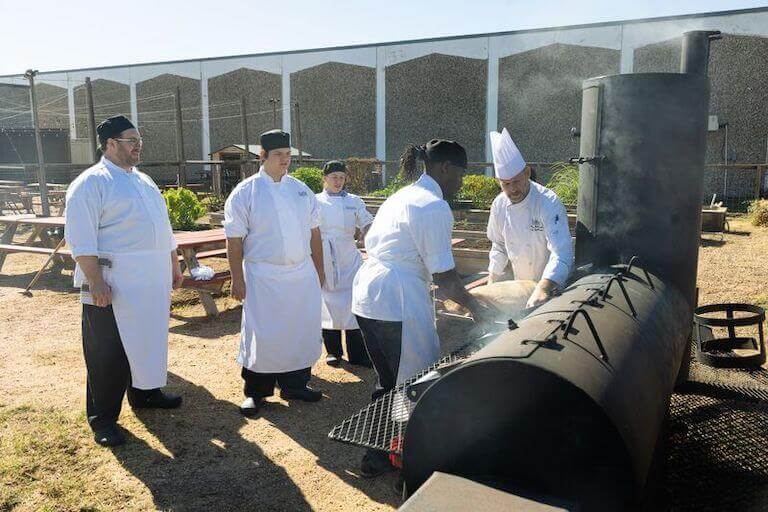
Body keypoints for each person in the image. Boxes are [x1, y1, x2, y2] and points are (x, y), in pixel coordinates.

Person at [351, 139, 496, 477]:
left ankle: (377, 455)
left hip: (368, 295)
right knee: (412, 381)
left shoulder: (402, 195)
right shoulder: (432, 205)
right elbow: (445, 277)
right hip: (394, 298)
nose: (460, 183)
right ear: (445, 168)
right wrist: (477, 308)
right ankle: (400, 458)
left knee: (389, 380)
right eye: (460, 175)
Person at [65, 115, 184, 447]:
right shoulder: (91, 183)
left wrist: (173, 264)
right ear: (110, 144)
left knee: (148, 340)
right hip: (112, 284)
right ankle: (103, 419)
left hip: (150, 281)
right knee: (107, 353)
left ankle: (145, 393)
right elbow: (80, 240)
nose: (138, 146)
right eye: (131, 140)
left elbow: (164, 230)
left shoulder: (144, 181)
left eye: (139, 140)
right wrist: (96, 282)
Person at [223, 129, 325, 417]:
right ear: (263, 156)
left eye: (288, 155)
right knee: (262, 334)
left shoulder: (301, 190)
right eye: (279, 155)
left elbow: (314, 234)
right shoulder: (246, 192)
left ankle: (295, 384)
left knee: (299, 331)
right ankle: (256, 392)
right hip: (262, 276)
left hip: (300, 274)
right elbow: (234, 239)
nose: (285, 161)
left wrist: (319, 272)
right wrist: (237, 278)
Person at [486, 128, 574, 308]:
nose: (512, 190)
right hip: (521, 287)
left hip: (552, 286)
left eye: (516, 182)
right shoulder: (499, 204)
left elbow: (561, 251)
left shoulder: (548, 202)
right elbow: (499, 245)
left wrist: (544, 287)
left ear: (526, 173)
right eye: (506, 184)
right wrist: (492, 279)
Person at [316, 160, 374, 368]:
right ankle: (333, 352)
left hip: (349, 258)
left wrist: (370, 234)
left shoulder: (354, 201)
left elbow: (367, 221)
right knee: (328, 303)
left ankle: (358, 354)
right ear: (325, 179)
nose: (338, 181)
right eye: (334, 177)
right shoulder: (315, 201)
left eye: (341, 177)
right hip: (324, 256)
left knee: (354, 304)